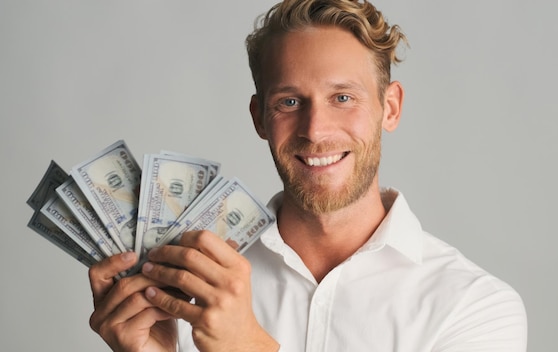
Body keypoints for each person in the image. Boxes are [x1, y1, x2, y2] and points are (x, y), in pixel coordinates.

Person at [88, 0, 528, 351]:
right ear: (260, 118)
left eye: (342, 97)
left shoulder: (474, 306)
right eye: (290, 102)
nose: (315, 131)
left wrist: (247, 348)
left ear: (389, 107)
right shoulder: (187, 282)